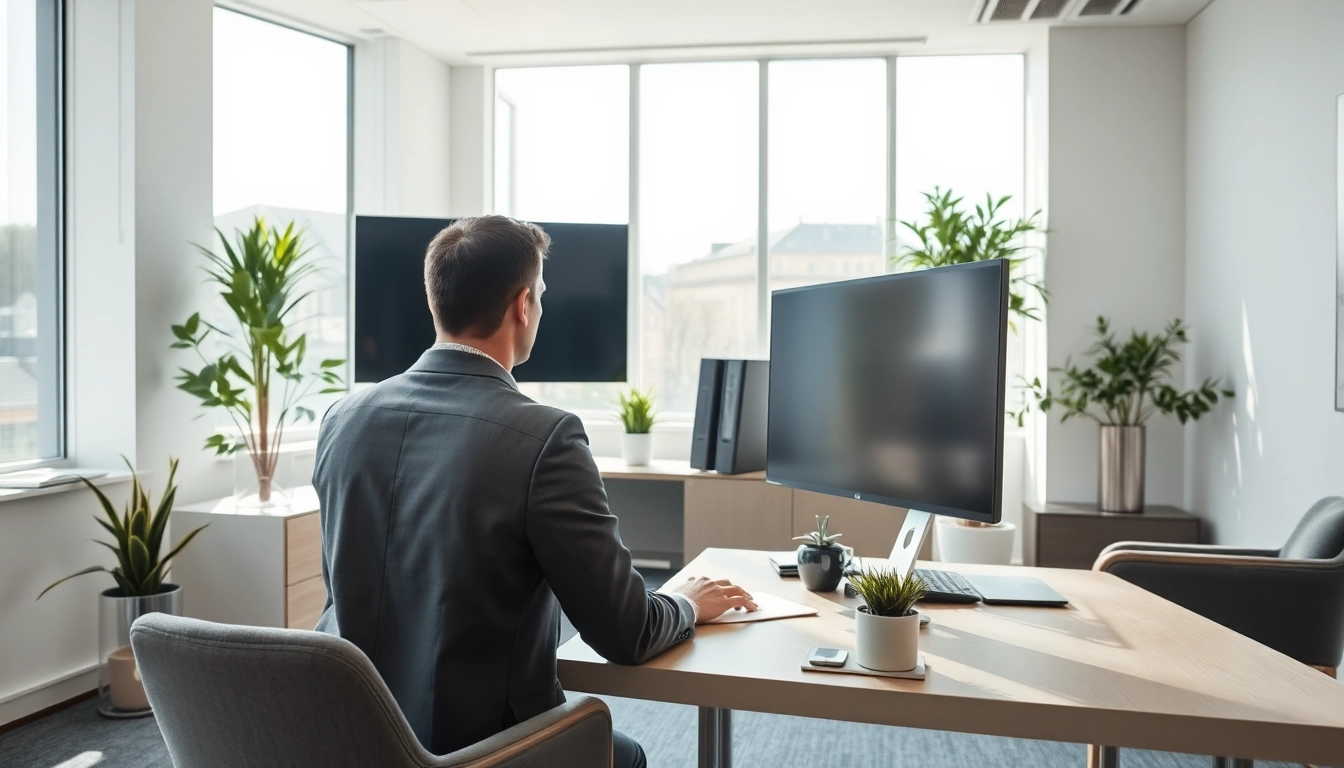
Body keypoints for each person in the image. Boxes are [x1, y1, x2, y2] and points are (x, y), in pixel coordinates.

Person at [313, 215, 758, 767]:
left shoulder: (342, 419)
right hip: (481, 750)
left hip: (347, 738)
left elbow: (344, 588)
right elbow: (626, 633)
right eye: (541, 296)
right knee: (628, 755)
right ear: (523, 306)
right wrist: (687, 601)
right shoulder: (546, 437)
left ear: (435, 304)